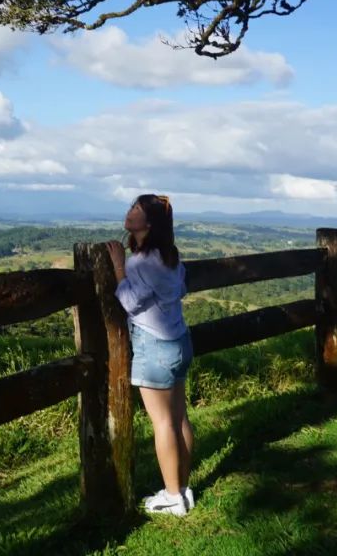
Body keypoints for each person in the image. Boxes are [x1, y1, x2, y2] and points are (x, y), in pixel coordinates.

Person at [106, 194, 195, 517]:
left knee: (163, 424)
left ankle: (173, 497)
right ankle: (182, 489)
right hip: (180, 341)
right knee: (179, 417)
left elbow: (129, 301)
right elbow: (180, 290)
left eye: (137, 210)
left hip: (154, 345)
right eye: (131, 207)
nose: (130, 212)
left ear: (149, 223)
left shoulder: (139, 262)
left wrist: (118, 267)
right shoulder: (168, 256)